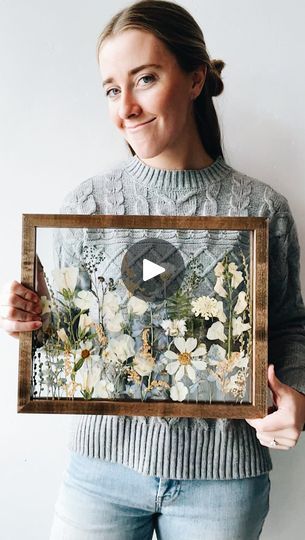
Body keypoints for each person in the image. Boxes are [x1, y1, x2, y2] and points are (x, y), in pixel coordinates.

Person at [1, 1, 305, 538]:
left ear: (194, 79)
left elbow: (287, 326)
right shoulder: (85, 205)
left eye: (145, 79)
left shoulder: (262, 209)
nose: (127, 108)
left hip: (223, 480)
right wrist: (33, 322)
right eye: (112, 89)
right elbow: (71, 342)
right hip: (100, 474)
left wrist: (296, 394)